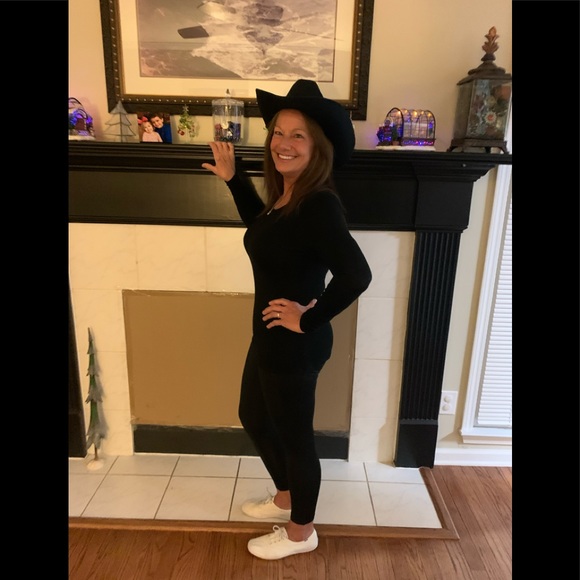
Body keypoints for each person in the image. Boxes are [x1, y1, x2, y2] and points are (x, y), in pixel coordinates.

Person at [202, 79, 372, 560]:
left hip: (294, 342)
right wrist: (235, 179)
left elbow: (357, 274)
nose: (284, 142)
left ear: (318, 147)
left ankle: (301, 532)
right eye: (279, 132)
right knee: (253, 417)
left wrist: (307, 319)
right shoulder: (287, 198)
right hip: (270, 336)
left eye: (298, 135)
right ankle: (285, 497)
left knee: (296, 441)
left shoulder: (318, 203)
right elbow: (264, 233)